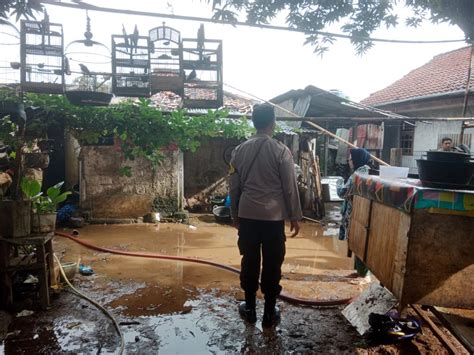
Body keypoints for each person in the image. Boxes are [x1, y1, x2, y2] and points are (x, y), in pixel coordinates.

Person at [229, 103, 302, 328]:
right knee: (272, 263)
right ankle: (269, 313)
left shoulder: (238, 151)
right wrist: (295, 216)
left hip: (248, 215)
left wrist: (234, 214)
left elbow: (233, 186)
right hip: (273, 218)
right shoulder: (281, 151)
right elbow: (289, 187)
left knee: (249, 260)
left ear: (254, 122)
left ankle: (249, 308)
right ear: (272, 123)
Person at [336, 148, 371, 282]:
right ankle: (360, 272)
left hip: (357, 213)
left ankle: (363, 274)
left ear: (356, 160)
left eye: (350, 159)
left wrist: (338, 181)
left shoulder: (357, 175)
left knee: (358, 241)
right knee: (358, 241)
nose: (349, 161)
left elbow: (342, 192)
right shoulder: (366, 172)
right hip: (361, 212)